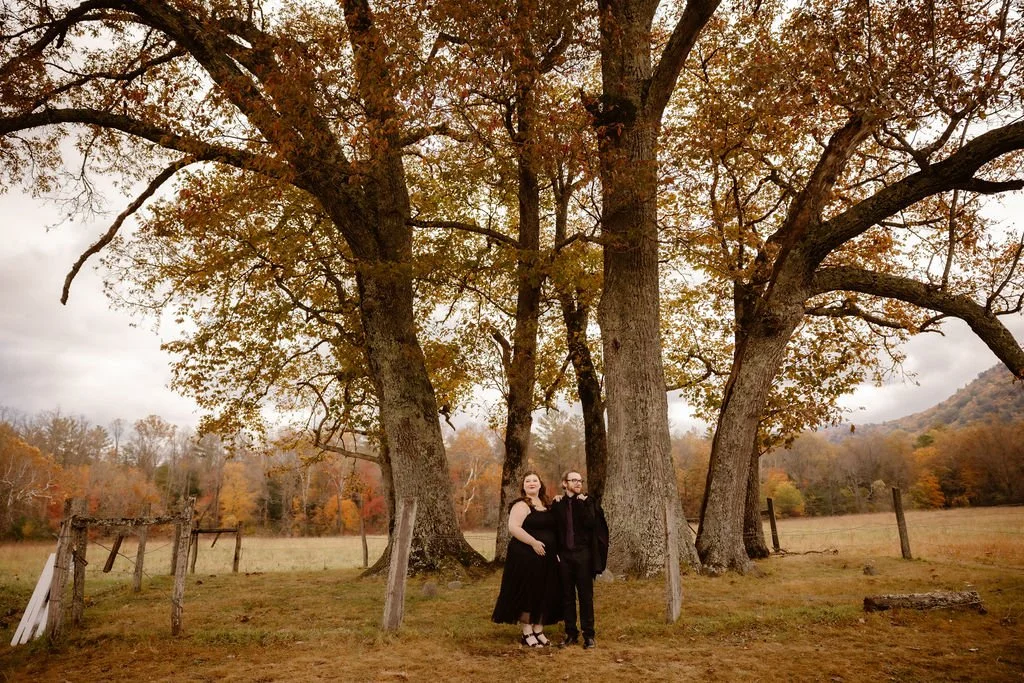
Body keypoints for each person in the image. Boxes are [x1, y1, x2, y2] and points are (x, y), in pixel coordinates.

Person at [491, 472, 563, 647]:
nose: (531, 483)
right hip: (526, 555)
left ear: (540, 484)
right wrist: (533, 543)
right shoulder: (522, 505)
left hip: (547, 557)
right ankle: (527, 632)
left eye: (535, 480)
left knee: (545, 590)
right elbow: (513, 528)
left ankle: (538, 629)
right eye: (527, 481)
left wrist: (561, 498)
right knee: (528, 591)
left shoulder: (547, 504)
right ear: (523, 486)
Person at [551, 470, 608, 650]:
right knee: (567, 596)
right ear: (564, 483)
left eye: (580, 480)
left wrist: (584, 504)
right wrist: (556, 553)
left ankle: (589, 635)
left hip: (583, 555)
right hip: (564, 556)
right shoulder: (557, 504)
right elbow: (553, 530)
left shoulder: (588, 502)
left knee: (585, 597)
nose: (578, 483)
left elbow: (592, 524)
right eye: (573, 480)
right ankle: (570, 634)